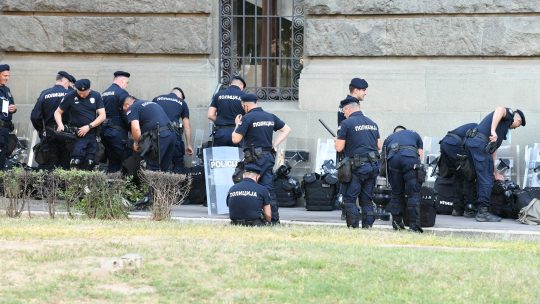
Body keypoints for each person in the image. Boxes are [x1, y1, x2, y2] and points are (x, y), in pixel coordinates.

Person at [232, 93, 291, 224]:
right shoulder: (270, 116)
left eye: (243, 106)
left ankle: (250, 217)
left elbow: (235, 139)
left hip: (253, 159)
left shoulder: (247, 118)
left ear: (245, 105)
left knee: (249, 187)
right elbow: (286, 129)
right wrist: (274, 144)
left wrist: (237, 125)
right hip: (268, 157)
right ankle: (274, 220)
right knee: (268, 189)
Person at [464, 106, 526, 222]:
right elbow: (499, 109)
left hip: (474, 143)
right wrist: (493, 130)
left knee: (477, 176)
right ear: (518, 121)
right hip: (479, 143)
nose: (515, 128)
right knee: (486, 179)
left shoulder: (502, 129)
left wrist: (495, 172)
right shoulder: (509, 115)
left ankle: (470, 208)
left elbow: (492, 151)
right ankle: (483, 212)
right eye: (517, 126)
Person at [335, 96, 381, 228]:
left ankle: (353, 228)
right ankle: (367, 227)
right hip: (373, 166)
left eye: (344, 111)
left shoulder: (346, 123)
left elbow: (339, 147)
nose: (344, 114)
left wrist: (336, 141)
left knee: (349, 199)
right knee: (366, 200)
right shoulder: (372, 123)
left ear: (348, 109)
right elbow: (378, 145)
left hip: (357, 168)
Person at [54, 79, 106, 170]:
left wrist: (89, 126)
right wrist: (60, 124)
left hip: (91, 133)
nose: (82, 95)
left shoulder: (96, 96)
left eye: (84, 92)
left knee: (90, 162)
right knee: (76, 162)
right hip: (77, 134)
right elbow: (57, 112)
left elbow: (102, 116)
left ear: (89, 89)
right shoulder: (70, 96)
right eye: (79, 92)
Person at [382, 126, 424, 232]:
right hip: (410, 158)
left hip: (393, 160)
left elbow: (383, 160)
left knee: (396, 193)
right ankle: (414, 226)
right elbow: (420, 156)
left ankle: (397, 224)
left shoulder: (389, 138)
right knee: (413, 194)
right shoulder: (415, 134)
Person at [30, 71, 74, 170]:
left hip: (49, 133)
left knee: (48, 166)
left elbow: (35, 116)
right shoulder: (70, 94)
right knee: (65, 166)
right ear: (65, 81)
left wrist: (41, 130)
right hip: (67, 134)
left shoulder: (44, 93)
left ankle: (47, 185)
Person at [122, 95, 175, 171]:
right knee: (165, 168)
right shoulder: (151, 103)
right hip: (171, 133)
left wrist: (136, 143)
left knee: (152, 168)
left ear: (127, 105)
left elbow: (135, 128)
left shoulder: (132, 107)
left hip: (159, 136)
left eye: (123, 109)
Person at [439, 123, 478, 217]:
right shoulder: (480, 130)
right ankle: (469, 208)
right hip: (454, 145)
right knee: (468, 175)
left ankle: (457, 209)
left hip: (445, 143)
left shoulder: (474, 126)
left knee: (458, 176)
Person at [152, 87, 193, 173]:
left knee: (155, 164)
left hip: (157, 135)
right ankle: (176, 185)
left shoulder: (156, 99)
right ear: (180, 96)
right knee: (178, 162)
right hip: (173, 135)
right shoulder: (182, 103)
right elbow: (187, 126)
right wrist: (188, 145)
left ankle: (157, 185)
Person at [101, 71, 131, 172]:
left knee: (113, 160)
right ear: (122, 81)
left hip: (104, 131)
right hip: (117, 132)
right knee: (127, 159)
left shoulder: (104, 93)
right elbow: (126, 112)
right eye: (126, 83)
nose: (126, 85)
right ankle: (128, 185)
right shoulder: (122, 93)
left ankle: (112, 184)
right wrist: (131, 128)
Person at [208, 76, 246, 147]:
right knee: (237, 157)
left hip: (221, 132)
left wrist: (221, 120)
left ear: (230, 84)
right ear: (241, 86)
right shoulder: (244, 96)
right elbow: (249, 116)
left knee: (220, 157)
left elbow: (210, 115)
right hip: (237, 132)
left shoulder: (219, 95)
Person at [0, 64, 17, 170]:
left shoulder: (7, 90)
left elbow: (11, 105)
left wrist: (14, 108)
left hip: (5, 129)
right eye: (4, 75)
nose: (7, 78)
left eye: (8, 76)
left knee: (3, 155)